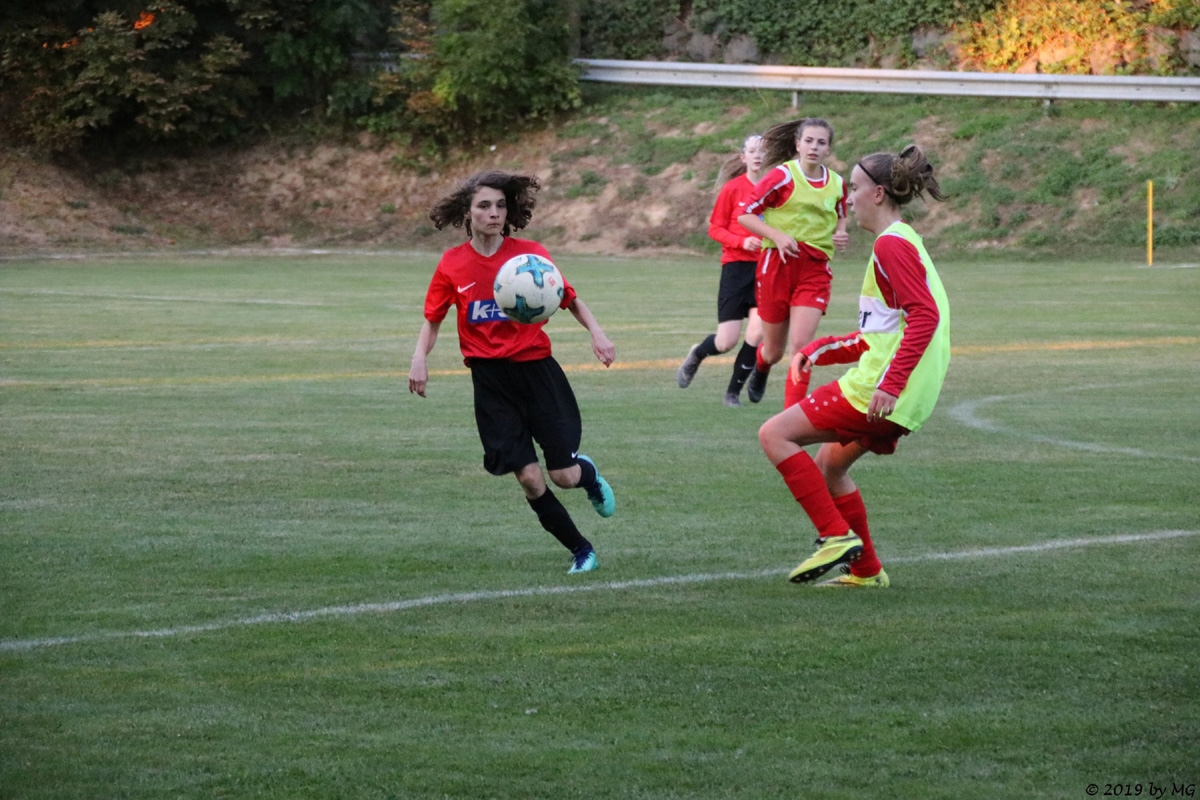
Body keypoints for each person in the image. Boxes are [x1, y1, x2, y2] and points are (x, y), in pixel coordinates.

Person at [757, 144, 950, 588]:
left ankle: (834, 536)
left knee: (774, 434)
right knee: (829, 466)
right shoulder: (903, 240)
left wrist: (891, 383)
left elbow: (925, 316)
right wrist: (821, 349)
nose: (848, 197)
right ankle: (866, 571)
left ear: (879, 194)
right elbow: (883, 333)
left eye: (856, 187)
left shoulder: (891, 246)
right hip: (908, 390)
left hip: (883, 388)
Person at [408, 170, 617, 575]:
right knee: (530, 479)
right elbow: (433, 319)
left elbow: (569, 299)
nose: (494, 213)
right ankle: (581, 549)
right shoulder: (452, 264)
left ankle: (587, 475)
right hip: (490, 382)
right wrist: (420, 357)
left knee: (563, 476)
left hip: (537, 374)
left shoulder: (529, 256)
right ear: (467, 212)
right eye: (484, 206)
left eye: (501, 206)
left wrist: (598, 334)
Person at [738, 118, 850, 409]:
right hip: (777, 266)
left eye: (821, 142)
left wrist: (840, 233)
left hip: (815, 269)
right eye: (809, 141)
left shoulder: (837, 183)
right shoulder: (782, 176)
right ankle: (762, 365)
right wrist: (777, 236)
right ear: (798, 144)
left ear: (828, 149)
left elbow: (841, 215)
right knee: (774, 351)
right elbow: (745, 214)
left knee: (801, 347)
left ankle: (791, 417)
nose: (814, 147)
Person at [676, 134, 767, 407]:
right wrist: (741, 242)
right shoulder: (733, 189)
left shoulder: (775, 189)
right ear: (743, 157)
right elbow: (715, 229)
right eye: (753, 150)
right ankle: (698, 354)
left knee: (757, 333)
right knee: (726, 341)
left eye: (763, 150)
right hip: (736, 269)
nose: (758, 155)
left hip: (765, 269)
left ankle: (732, 394)